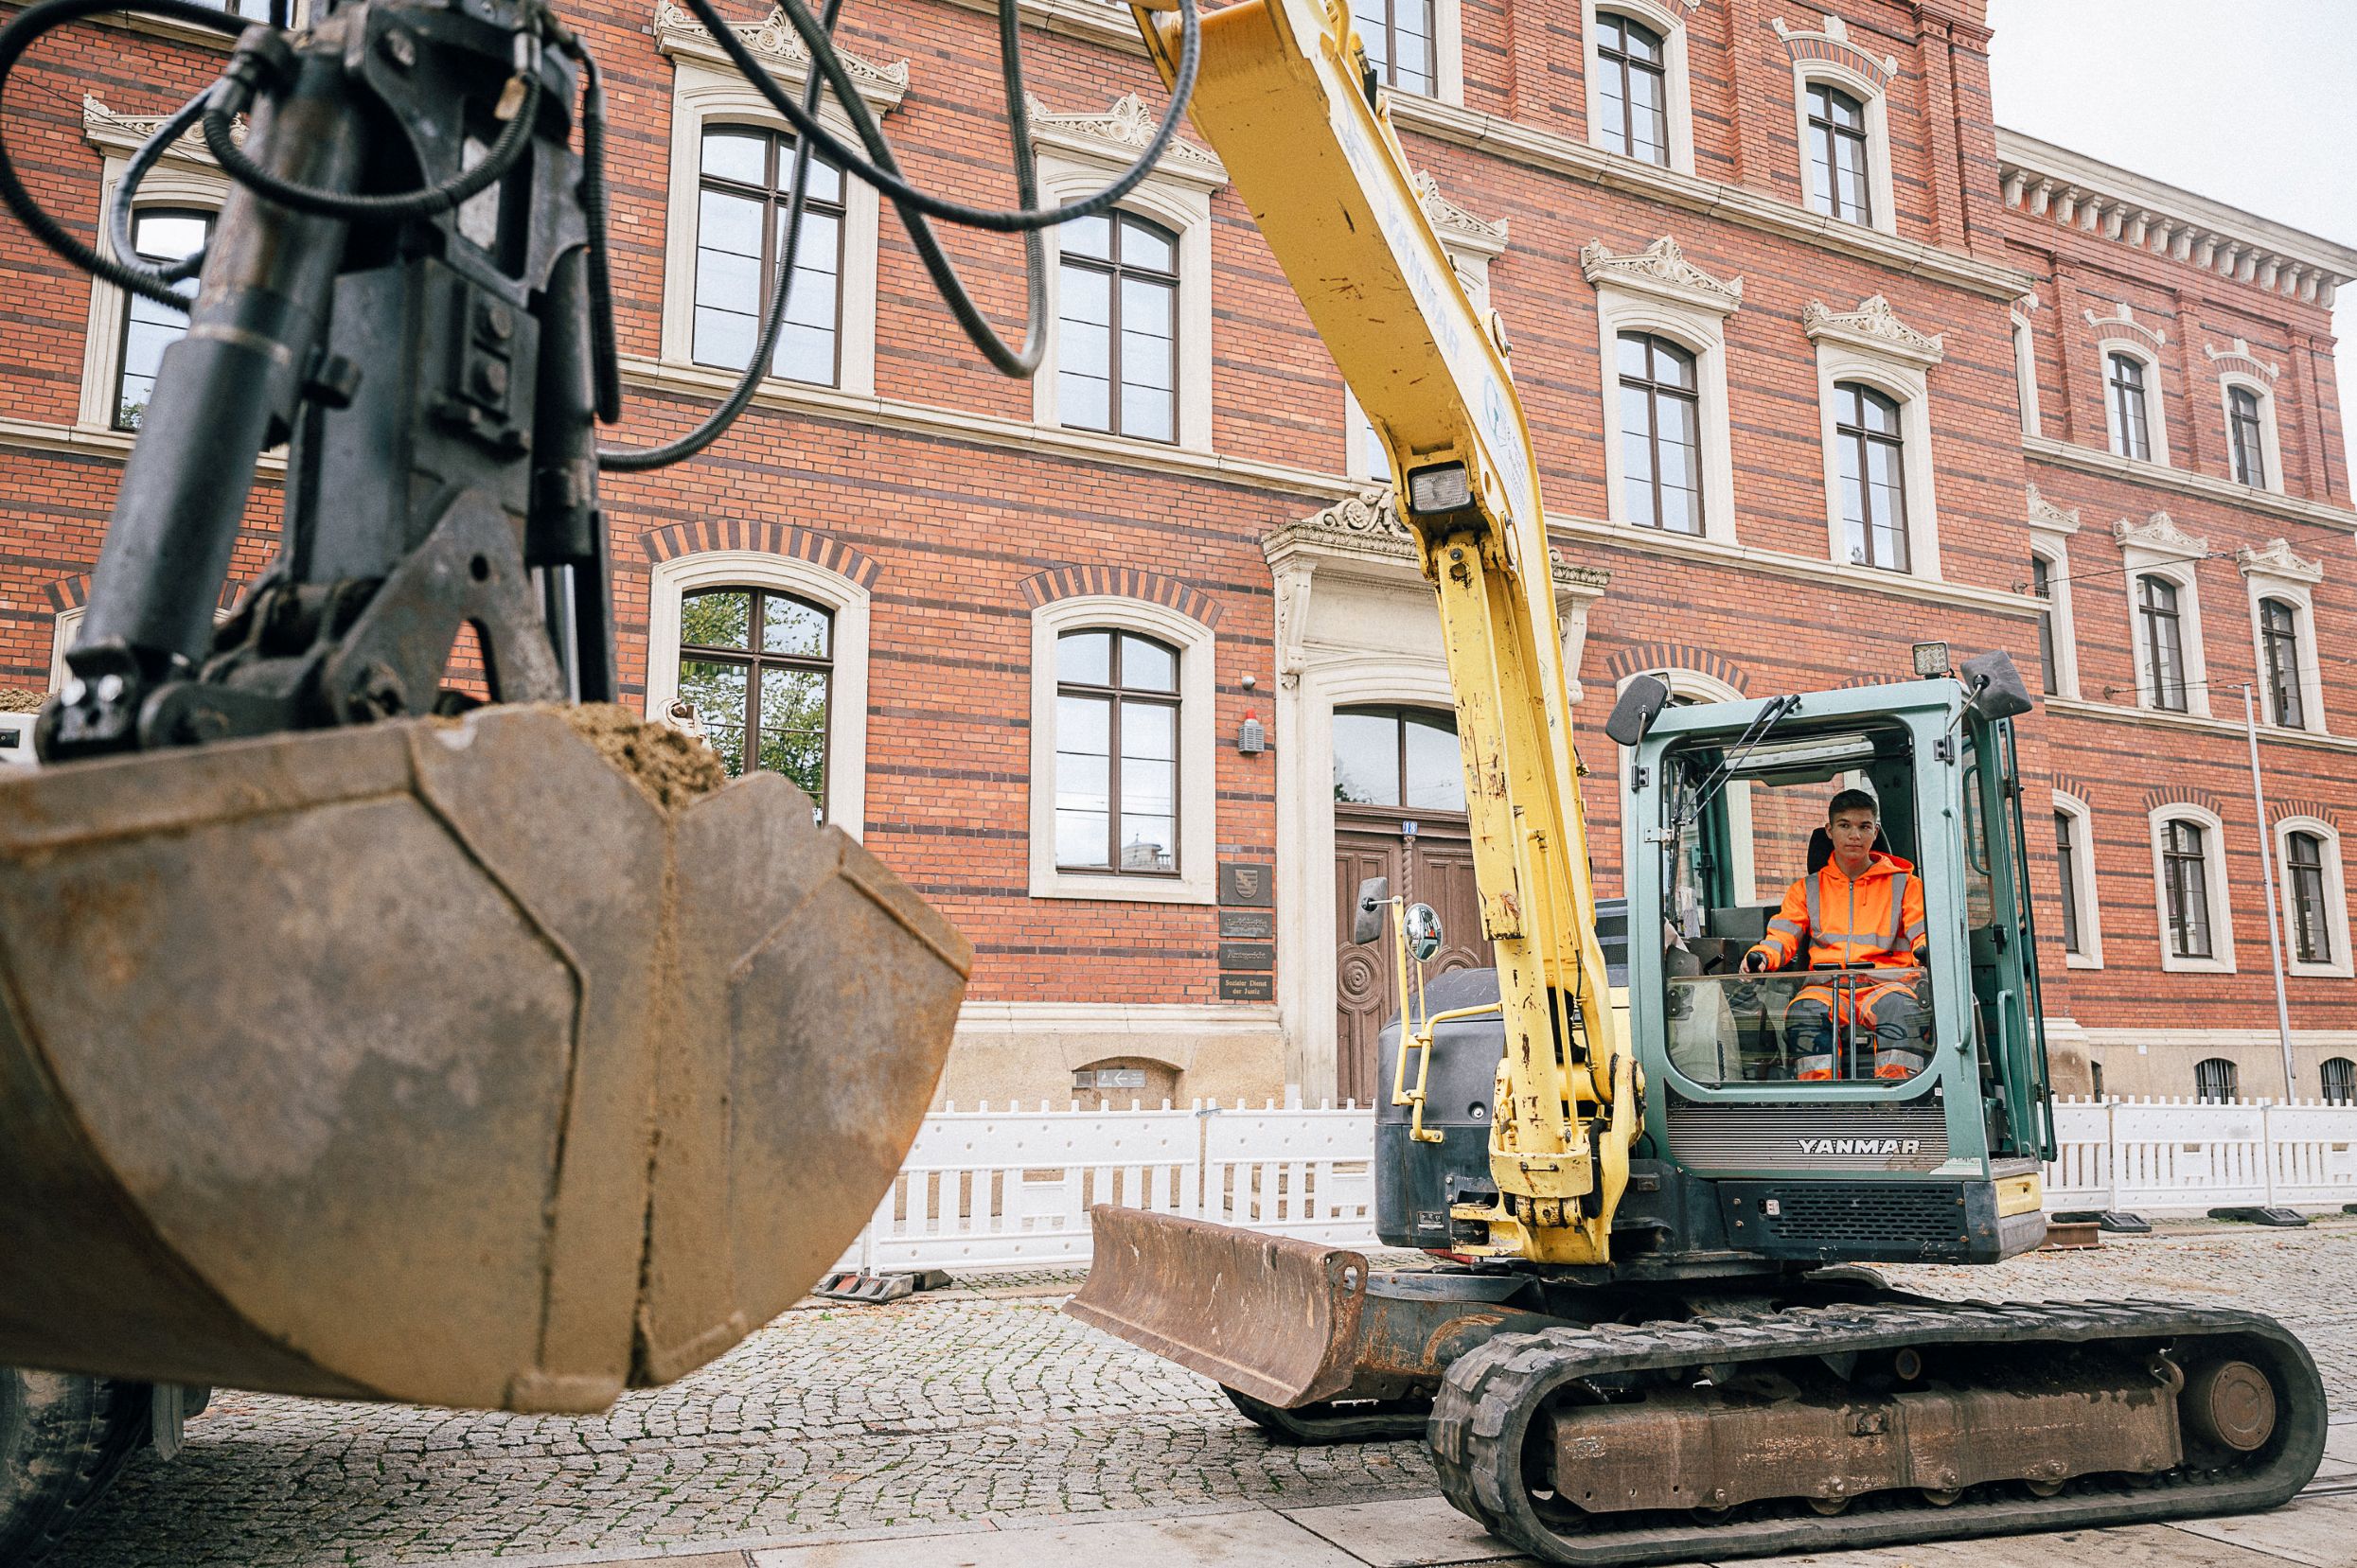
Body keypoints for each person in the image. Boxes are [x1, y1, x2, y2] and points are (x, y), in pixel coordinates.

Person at [1740, 787, 1929, 1079]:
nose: (1855, 835)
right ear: (1829, 830)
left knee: (1900, 1007)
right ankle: (1822, 1106)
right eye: (1845, 825)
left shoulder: (1906, 885)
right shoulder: (1806, 889)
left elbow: (1922, 934)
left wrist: (1925, 951)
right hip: (1827, 988)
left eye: (1864, 826)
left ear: (1875, 831)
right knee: (1804, 1011)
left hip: (1886, 984)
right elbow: (1782, 934)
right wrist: (1762, 956)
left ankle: (1899, 1101)